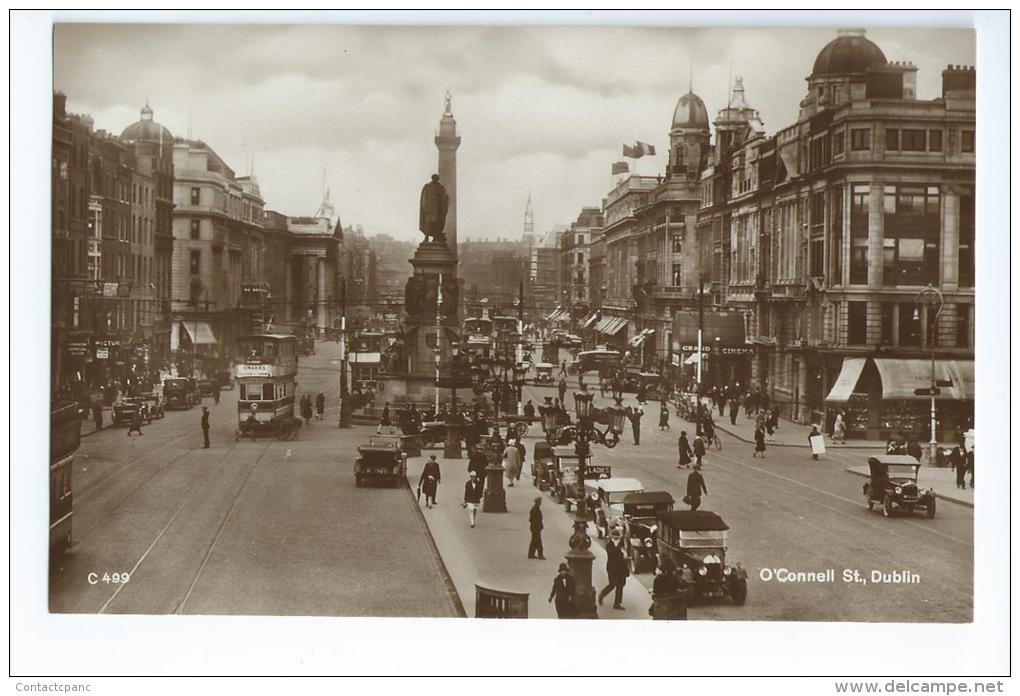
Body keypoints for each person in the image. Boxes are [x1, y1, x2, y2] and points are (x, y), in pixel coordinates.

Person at [598, 535, 629, 610]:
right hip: (612, 569)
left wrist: (626, 570)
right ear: (612, 538)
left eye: (617, 538)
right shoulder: (609, 545)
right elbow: (612, 554)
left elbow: (624, 557)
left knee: (620, 585)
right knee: (612, 584)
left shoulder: (621, 544)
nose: (617, 539)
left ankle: (617, 603)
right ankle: (602, 594)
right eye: (615, 538)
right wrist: (617, 546)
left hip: (621, 569)